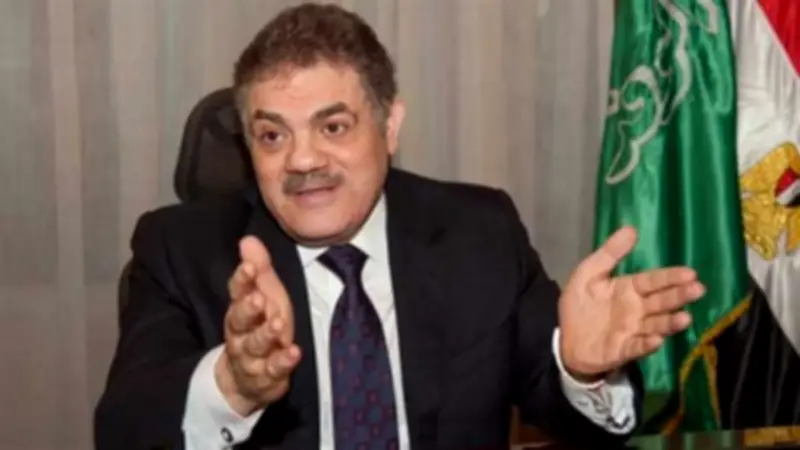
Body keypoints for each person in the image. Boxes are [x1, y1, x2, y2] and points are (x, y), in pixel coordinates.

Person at [94, 3, 704, 450]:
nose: (302, 161)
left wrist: (581, 370)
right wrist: (234, 384)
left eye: (333, 127)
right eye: (272, 135)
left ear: (389, 127)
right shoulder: (182, 250)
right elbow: (125, 431)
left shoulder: (479, 232)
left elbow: (569, 414)